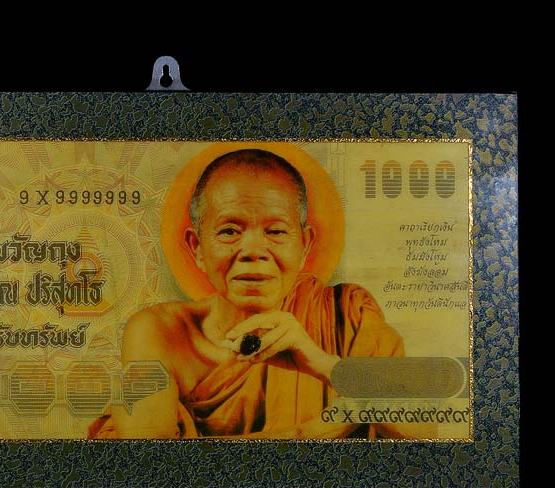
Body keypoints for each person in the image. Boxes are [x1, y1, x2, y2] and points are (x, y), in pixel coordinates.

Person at [89, 149, 418, 439]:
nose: (253, 250)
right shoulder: (161, 333)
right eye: (229, 231)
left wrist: (321, 362)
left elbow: (423, 431)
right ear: (197, 247)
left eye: (276, 231)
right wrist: (311, 432)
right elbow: (148, 466)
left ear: (305, 245)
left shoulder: (346, 314)